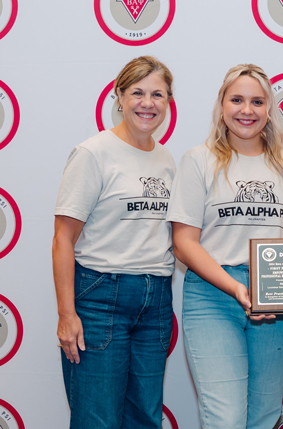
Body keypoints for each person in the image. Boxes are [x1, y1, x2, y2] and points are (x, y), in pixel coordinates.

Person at [166, 64, 283, 429]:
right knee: (225, 418)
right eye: (237, 100)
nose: (247, 110)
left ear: (269, 109)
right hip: (214, 294)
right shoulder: (199, 161)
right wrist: (236, 288)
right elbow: (184, 243)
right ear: (222, 105)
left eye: (257, 101)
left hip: (277, 302)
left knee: (262, 416)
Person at [53, 56, 176, 428]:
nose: (147, 103)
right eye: (137, 92)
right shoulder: (93, 153)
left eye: (157, 94)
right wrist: (66, 314)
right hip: (100, 295)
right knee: (97, 418)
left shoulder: (167, 159)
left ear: (168, 102)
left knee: (144, 417)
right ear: (118, 96)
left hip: (155, 298)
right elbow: (63, 237)